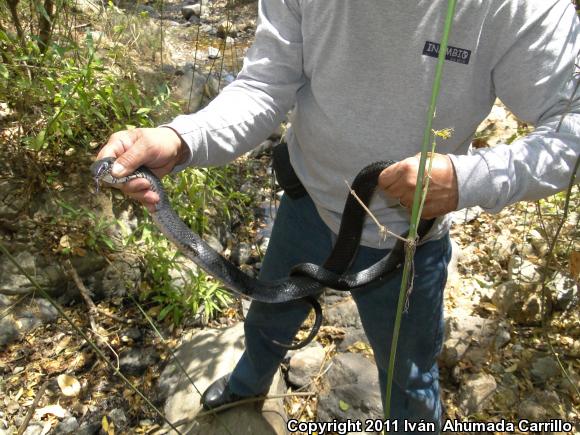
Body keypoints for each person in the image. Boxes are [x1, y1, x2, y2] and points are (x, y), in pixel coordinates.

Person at [97, 0, 580, 431]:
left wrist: (465, 180)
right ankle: (248, 385)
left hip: (406, 243)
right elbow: (266, 83)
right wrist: (181, 139)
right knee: (268, 314)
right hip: (305, 200)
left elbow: (570, 131)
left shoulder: (520, 7)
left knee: (409, 376)